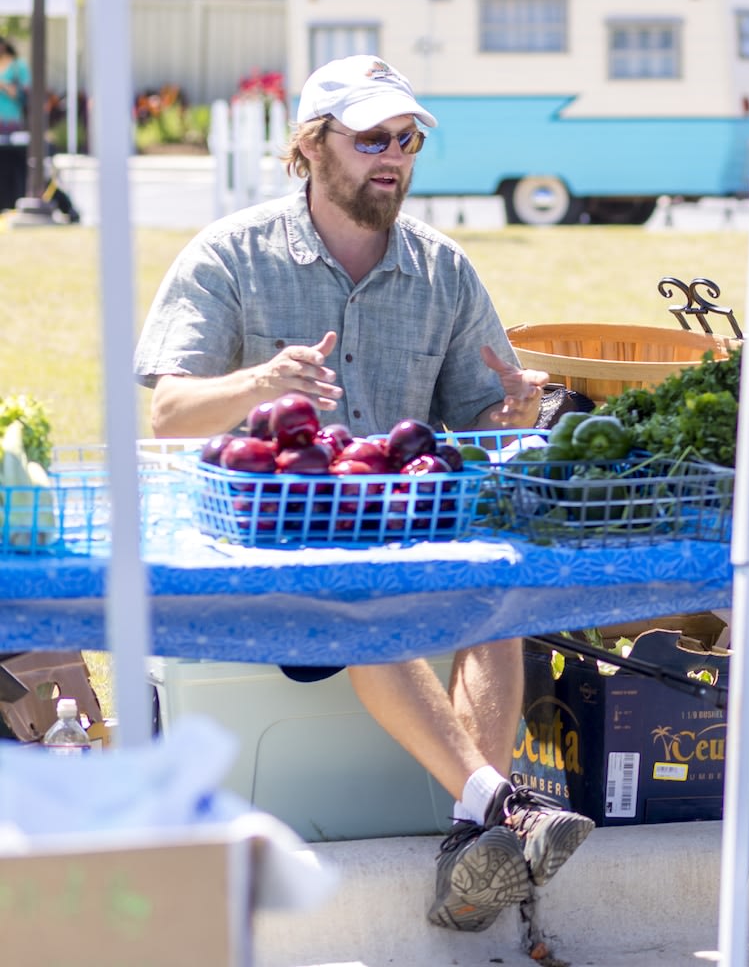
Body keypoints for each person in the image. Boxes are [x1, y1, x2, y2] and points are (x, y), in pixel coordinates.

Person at [133, 56, 590, 934]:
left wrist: (512, 410)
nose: (394, 155)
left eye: (408, 138)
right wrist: (262, 380)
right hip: (268, 535)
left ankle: (473, 846)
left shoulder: (443, 272)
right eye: (372, 136)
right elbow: (171, 414)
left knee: (494, 597)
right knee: (364, 591)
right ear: (310, 146)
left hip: (403, 529)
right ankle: (499, 810)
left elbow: (473, 436)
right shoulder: (230, 254)